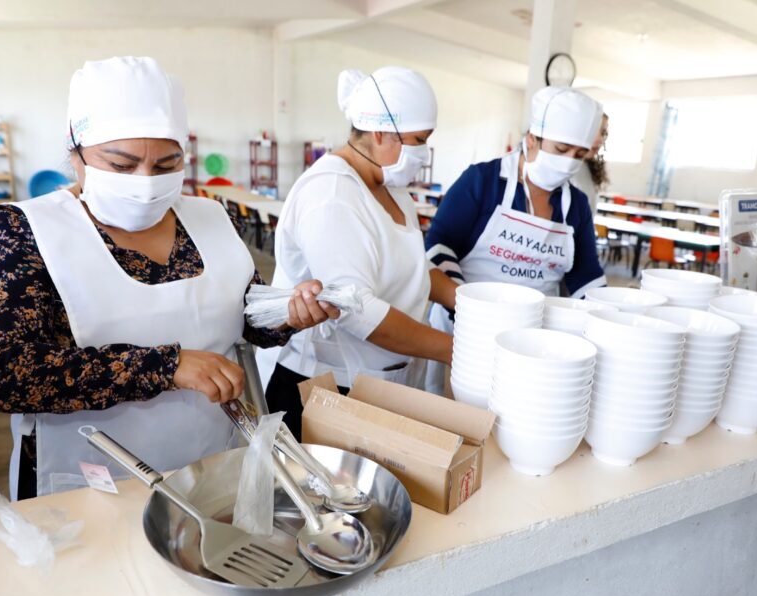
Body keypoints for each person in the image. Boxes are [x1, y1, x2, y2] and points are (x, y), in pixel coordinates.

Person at [0, 56, 338, 499]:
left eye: (165, 166)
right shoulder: (28, 234)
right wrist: (166, 366)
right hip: (88, 481)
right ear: (76, 151)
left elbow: (245, 314)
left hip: (210, 459)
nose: (144, 182)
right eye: (121, 165)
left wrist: (289, 312)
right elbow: (3, 375)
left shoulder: (210, 219)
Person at [257, 67, 457, 438]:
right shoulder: (332, 194)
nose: (423, 152)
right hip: (321, 387)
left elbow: (412, 267)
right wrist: (455, 349)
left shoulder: (391, 188)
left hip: (375, 381)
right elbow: (357, 310)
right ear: (381, 132)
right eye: (418, 139)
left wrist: (468, 302)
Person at [422, 86, 606, 393]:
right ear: (532, 140)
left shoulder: (575, 205)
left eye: (579, 154)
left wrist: (606, 319)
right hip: (465, 330)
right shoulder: (482, 181)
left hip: (535, 342)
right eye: (561, 150)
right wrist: (468, 308)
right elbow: (440, 245)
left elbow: (586, 277)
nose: (569, 162)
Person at [573, 113, 610, 215]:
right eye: (592, 131)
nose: (600, 140)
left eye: (603, 133)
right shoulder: (563, 170)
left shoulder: (587, 166)